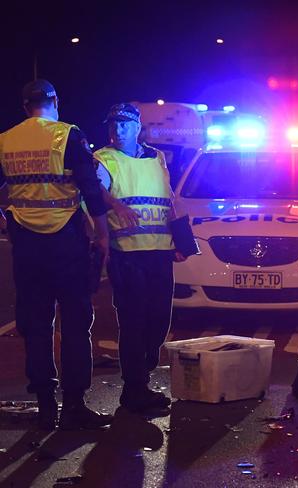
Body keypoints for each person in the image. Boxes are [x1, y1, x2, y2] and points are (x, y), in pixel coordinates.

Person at [0, 79, 113, 430]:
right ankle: (75, 405)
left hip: (26, 244)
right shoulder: (68, 135)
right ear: (55, 101)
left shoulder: (7, 139)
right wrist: (103, 234)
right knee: (76, 321)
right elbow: (91, 187)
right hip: (66, 238)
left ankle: (46, 405)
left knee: (35, 322)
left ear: (24, 106)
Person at [94, 103, 187, 414]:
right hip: (128, 255)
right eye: (112, 125)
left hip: (160, 252)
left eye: (123, 125)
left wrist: (179, 237)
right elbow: (93, 193)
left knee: (160, 321)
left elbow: (167, 199)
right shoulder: (104, 159)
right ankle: (135, 389)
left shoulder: (157, 158)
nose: (116, 130)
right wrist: (116, 208)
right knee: (133, 324)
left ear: (137, 128)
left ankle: (141, 376)